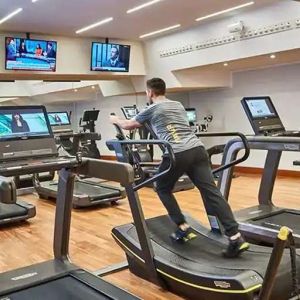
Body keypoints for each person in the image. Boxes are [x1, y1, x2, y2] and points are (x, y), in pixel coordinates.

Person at [110, 78, 249, 258]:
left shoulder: (151, 109)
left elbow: (128, 125)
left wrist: (115, 119)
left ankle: (182, 227)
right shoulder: (178, 105)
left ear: (150, 93)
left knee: (162, 188)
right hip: (198, 150)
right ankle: (235, 237)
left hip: (176, 152)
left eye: (147, 92)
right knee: (211, 192)